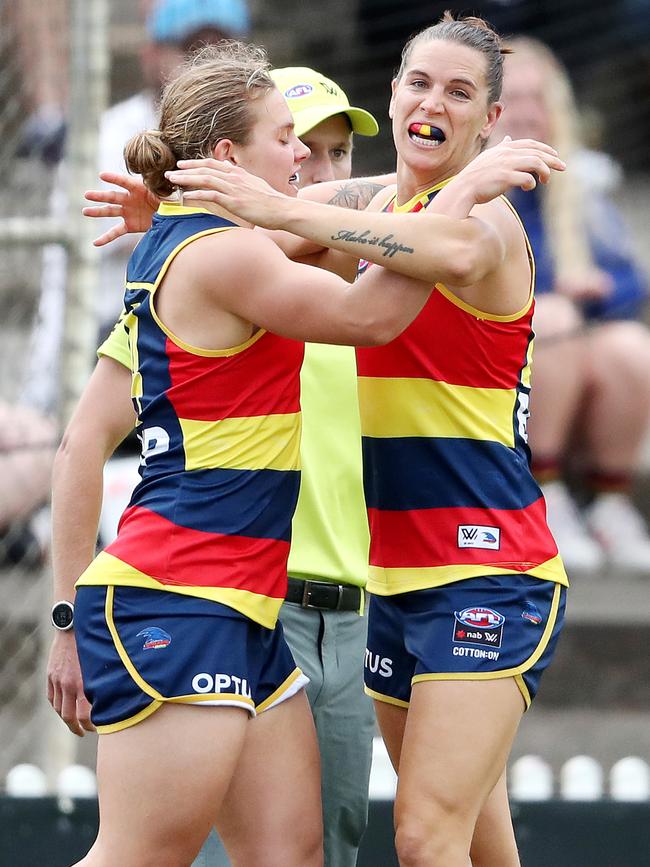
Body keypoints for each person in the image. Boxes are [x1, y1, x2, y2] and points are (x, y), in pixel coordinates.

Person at [48, 39, 552, 865]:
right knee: (144, 853)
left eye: (325, 148)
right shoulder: (234, 251)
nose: (307, 165)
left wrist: (239, 207)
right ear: (227, 158)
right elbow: (368, 315)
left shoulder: (251, 238)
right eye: (289, 140)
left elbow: (362, 218)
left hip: (278, 599)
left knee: (296, 850)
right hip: (185, 591)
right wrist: (458, 186)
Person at [23, 0, 251, 417]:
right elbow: (84, 238)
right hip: (108, 343)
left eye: (223, 51)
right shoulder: (108, 136)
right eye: (193, 51)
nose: (208, 67)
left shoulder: (268, 138)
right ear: (152, 56)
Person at [493, 36, 650, 574]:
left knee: (630, 346)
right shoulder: (470, 185)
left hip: (574, 364)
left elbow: (631, 283)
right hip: (492, 366)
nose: (531, 113)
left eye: (541, 98)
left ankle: (609, 501)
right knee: (551, 318)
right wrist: (560, 291)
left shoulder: (576, 182)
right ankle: (544, 496)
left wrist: (593, 288)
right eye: (515, 98)